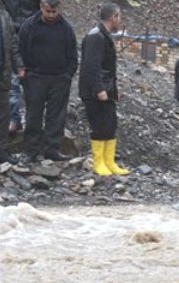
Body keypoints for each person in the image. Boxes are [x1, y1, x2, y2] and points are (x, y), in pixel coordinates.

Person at [18, 0, 78, 162]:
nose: (51, 15)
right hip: (35, 78)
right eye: (48, 12)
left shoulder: (66, 28)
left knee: (56, 116)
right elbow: (20, 49)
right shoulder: (29, 26)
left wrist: (67, 75)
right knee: (33, 115)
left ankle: (52, 149)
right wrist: (26, 73)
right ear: (41, 8)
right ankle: (31, 150)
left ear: (59, 9)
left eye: (54, 12)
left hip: (59, 78)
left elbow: (73, 55)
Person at [78, 3, 128, 176]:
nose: (120, 20)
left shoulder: (103, 35)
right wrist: (99, 89)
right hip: (95, 92)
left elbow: (107, 68)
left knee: (110, 124)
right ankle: (99, 163)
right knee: (99, 126)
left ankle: (109, 162)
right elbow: (91, 67)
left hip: (106, 89)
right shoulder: (96, 37)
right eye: (119, 16)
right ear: (113, 17)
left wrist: (113, 90)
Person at [2, 0, 40, 135]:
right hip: (11, 33)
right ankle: (14, 119)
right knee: (12, 80)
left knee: (33, 80)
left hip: (32, 35)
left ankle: (33, 120)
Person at [0, 2, 25, 164]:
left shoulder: (4, 16)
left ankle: (1, 149)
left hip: (2, 72)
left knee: (3, 113)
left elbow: (13, 44)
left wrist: (19, 65)